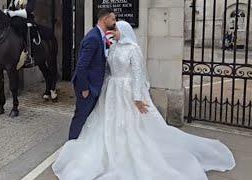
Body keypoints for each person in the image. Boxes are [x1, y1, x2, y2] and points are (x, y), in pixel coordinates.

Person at [52, 21, 235, 180]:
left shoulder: (134, 49)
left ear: (123, 31)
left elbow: (138, 75)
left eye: (116, 29)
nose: (113, 32)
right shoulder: (113, 47)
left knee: (131, 126)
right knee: (106, 123)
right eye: (113, 29)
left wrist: (138, 98)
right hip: (111, 90)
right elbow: (108, 70)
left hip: (126, 91)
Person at [68, 9, 117, 140]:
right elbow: (81, 66)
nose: (114, 22)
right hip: (87, 86)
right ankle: (71, 143)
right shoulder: (93, 38)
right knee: (81, 116)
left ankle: (80, 142)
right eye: (113, 19)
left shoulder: (100, 36)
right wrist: (84, 88)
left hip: (93, 85)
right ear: (105, 19)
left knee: (87, 116)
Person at [5, 0, 37, 67]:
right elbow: (11, 8)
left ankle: (29, 55)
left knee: (20, 25)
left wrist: (14, 13)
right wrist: (7, 11)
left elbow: (28, 11)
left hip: (27, 19)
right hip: (15, 20)